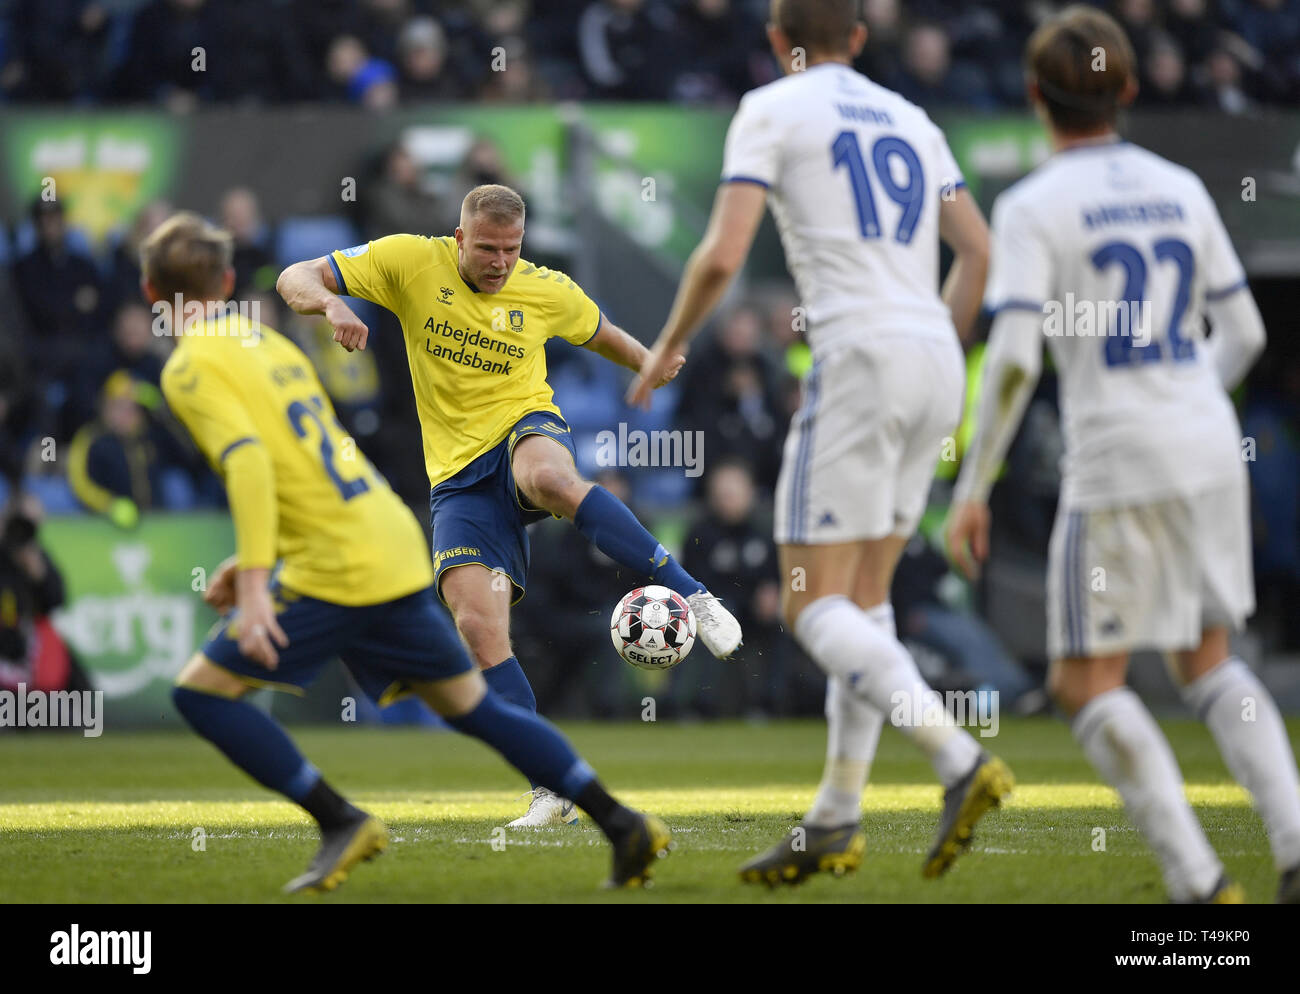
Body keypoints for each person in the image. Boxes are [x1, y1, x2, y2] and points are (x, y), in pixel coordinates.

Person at [145, 211, 671, 893]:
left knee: (202, 696)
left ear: (152, 293)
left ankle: (338, 820)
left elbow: (249, 465)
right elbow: (304, 461)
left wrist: (252, 585)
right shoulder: (267, 342)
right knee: (474, 708)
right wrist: (254, 562)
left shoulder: (188, 367)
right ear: (226, 280)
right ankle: (623, 822)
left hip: (335, 566)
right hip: (387, 539)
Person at [630, 0, 1011, 887]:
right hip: (936, 360)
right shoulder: (914, 119)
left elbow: (724, 255)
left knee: (807, 605)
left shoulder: (772, 106)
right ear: (862, 38)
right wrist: (935, 352)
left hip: (858, 354)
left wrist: (670, 344)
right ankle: (835, 818)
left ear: (776, 40)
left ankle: (959, 762)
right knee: (863, 604)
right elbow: (980, 256)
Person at [945, 5, 1300, 905]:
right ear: (1130, 90)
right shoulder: (1182, 186)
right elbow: (1247, 331)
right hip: (1208, 439)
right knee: (1211, 657)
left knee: (1083, 680)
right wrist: (1188, 402)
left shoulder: (1032, 204)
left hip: (1116, 454)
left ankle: (1199, 883)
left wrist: (974, 484)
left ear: (1034, 98)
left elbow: (1018, 355)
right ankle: (1294, 845)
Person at [276, 183, 743, 828]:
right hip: (457, 478)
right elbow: (293, 275)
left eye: (512, 250)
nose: (501, 263)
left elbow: (601, 333)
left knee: (550, 478)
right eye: (489, 249)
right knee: (477, 627)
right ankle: (550, 785)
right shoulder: (409, 261)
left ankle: (690, 593)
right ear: (460, 237)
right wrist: (330, 305)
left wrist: (648, 360)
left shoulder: (545, 288)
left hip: (525, 426)